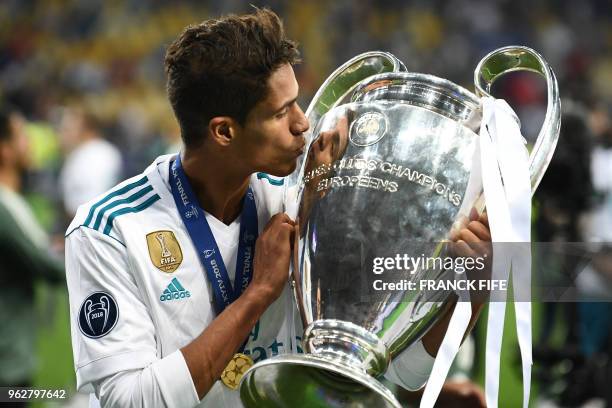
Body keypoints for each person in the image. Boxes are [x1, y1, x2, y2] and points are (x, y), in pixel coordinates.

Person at [65, 8, 489, 407]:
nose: (303, 122)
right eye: (281, 112)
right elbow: (131, 400)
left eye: (298, 103)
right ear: (224, 131)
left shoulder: (302, 199)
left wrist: (471, 291)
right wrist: (258, 295)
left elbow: (399, 368)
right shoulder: (110, 230)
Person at [0, 105, 64, 391]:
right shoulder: (3, 206)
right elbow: (46, 266)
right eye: (22, 135)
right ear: (5, 150)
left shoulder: (13, 200)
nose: (30, 143)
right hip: (7, 357)